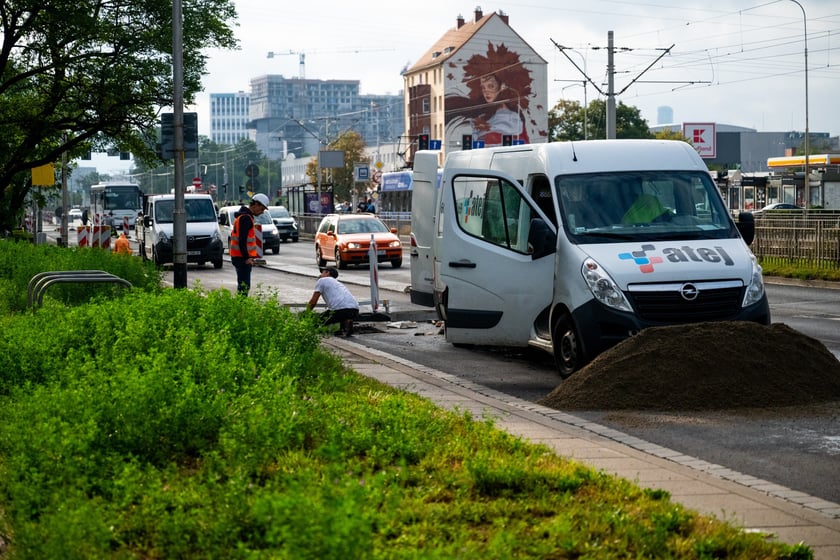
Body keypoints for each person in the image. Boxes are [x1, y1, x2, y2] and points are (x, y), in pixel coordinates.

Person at [230, 193, 269, 296]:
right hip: (242, 258)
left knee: (243, 286)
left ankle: (240, 304)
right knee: (244, 286)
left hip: (238, 257)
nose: (262, 212)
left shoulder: (242, 216)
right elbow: (242, 240)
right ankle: (241, 305)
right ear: (256, 205)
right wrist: (247, 257)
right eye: (262, 209)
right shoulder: (246, 218)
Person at [306, 266, 360, 336]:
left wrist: (307, 312)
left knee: (316, 321)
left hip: (340, 310)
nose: (320, 274)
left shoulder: (322, 280)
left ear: (327, 273)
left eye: (322, 272)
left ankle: (343, 325)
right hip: (354, 310)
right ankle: (346, 322)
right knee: (340, 315)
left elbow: (313, 301)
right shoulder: (338, 283)